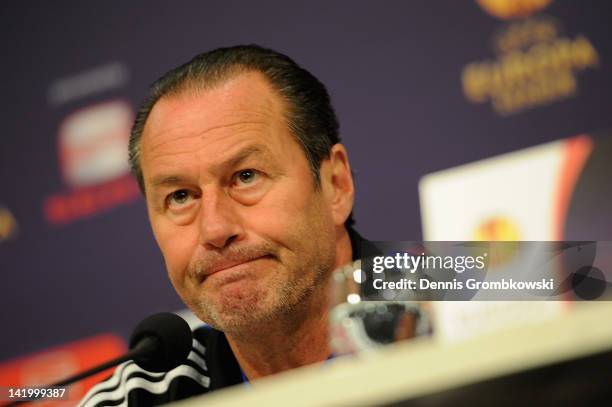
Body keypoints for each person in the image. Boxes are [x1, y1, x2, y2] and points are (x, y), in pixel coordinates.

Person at [79, 44, 368, 406]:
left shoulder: (453, 303)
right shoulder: (138, 398)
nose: (215, 230)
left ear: (335, 184)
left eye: (246, 176)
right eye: (181, 197)